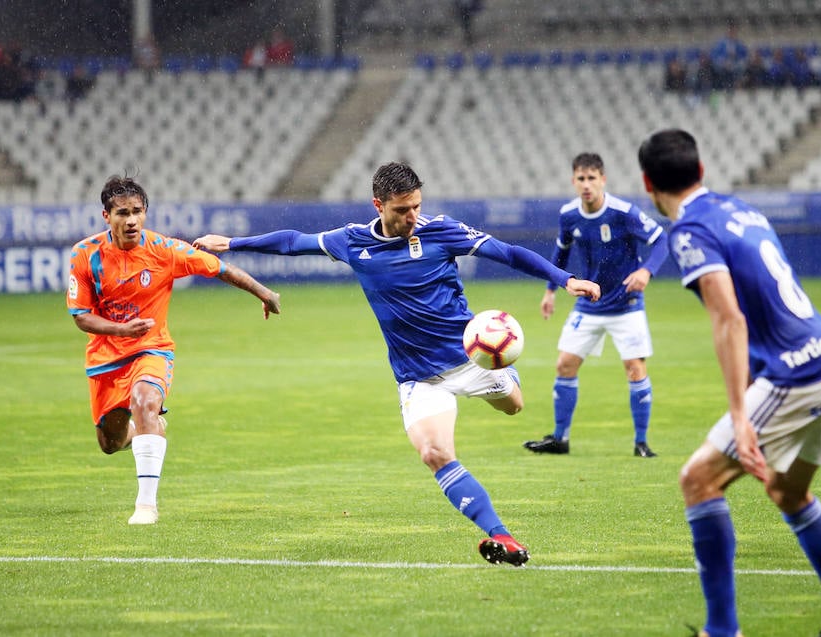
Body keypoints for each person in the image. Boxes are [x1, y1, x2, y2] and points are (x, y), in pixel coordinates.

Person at [193, 162, 601, 566]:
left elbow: (508, 252)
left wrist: (565, 280)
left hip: (471, 358)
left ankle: (503, 372)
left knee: (514, 405)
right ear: (378, 205)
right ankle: (502, 536)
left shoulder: (441, 230)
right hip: (418, 376)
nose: (412, 217)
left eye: (416, 207)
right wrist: (231, 244)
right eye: (402, 210)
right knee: (434, 452)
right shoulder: (351, 242)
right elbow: (292, 241)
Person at [638, 129, 821, 637]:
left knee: (698, 480)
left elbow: (730, 320)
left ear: (648, 183)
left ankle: (722, 632)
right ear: (702, 169)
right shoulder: (741, 210)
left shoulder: (689, 232)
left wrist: (741, 417)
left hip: (797, 372)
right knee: (787, 492)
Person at [66, 176, 281, 525]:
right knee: (110, 442)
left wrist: (264, 293)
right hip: (105, 358)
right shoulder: (84, 254)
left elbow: (219, 268)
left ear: (146, 213)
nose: (131, 220)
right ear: (107, 216)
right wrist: (121, 329)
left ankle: (146, 506)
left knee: (145, 400)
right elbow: (81, 317)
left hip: (152, 349)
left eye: (137, 212)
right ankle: (146, 430)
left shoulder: (164, 249)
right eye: (122, 213)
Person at [523, 153, 668, 458]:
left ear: (603, 180)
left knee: (635, 368)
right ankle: (560, 439)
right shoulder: (568, 215)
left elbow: (661, 240)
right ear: (573, 181)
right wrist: (550, 291)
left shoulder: (623, 212)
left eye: (592, 178)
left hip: (626, 304)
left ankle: (641, 442)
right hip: (589, 304)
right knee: (564, 364)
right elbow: (560, 254)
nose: (586, 185)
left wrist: (646, 271)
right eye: (581, 179)